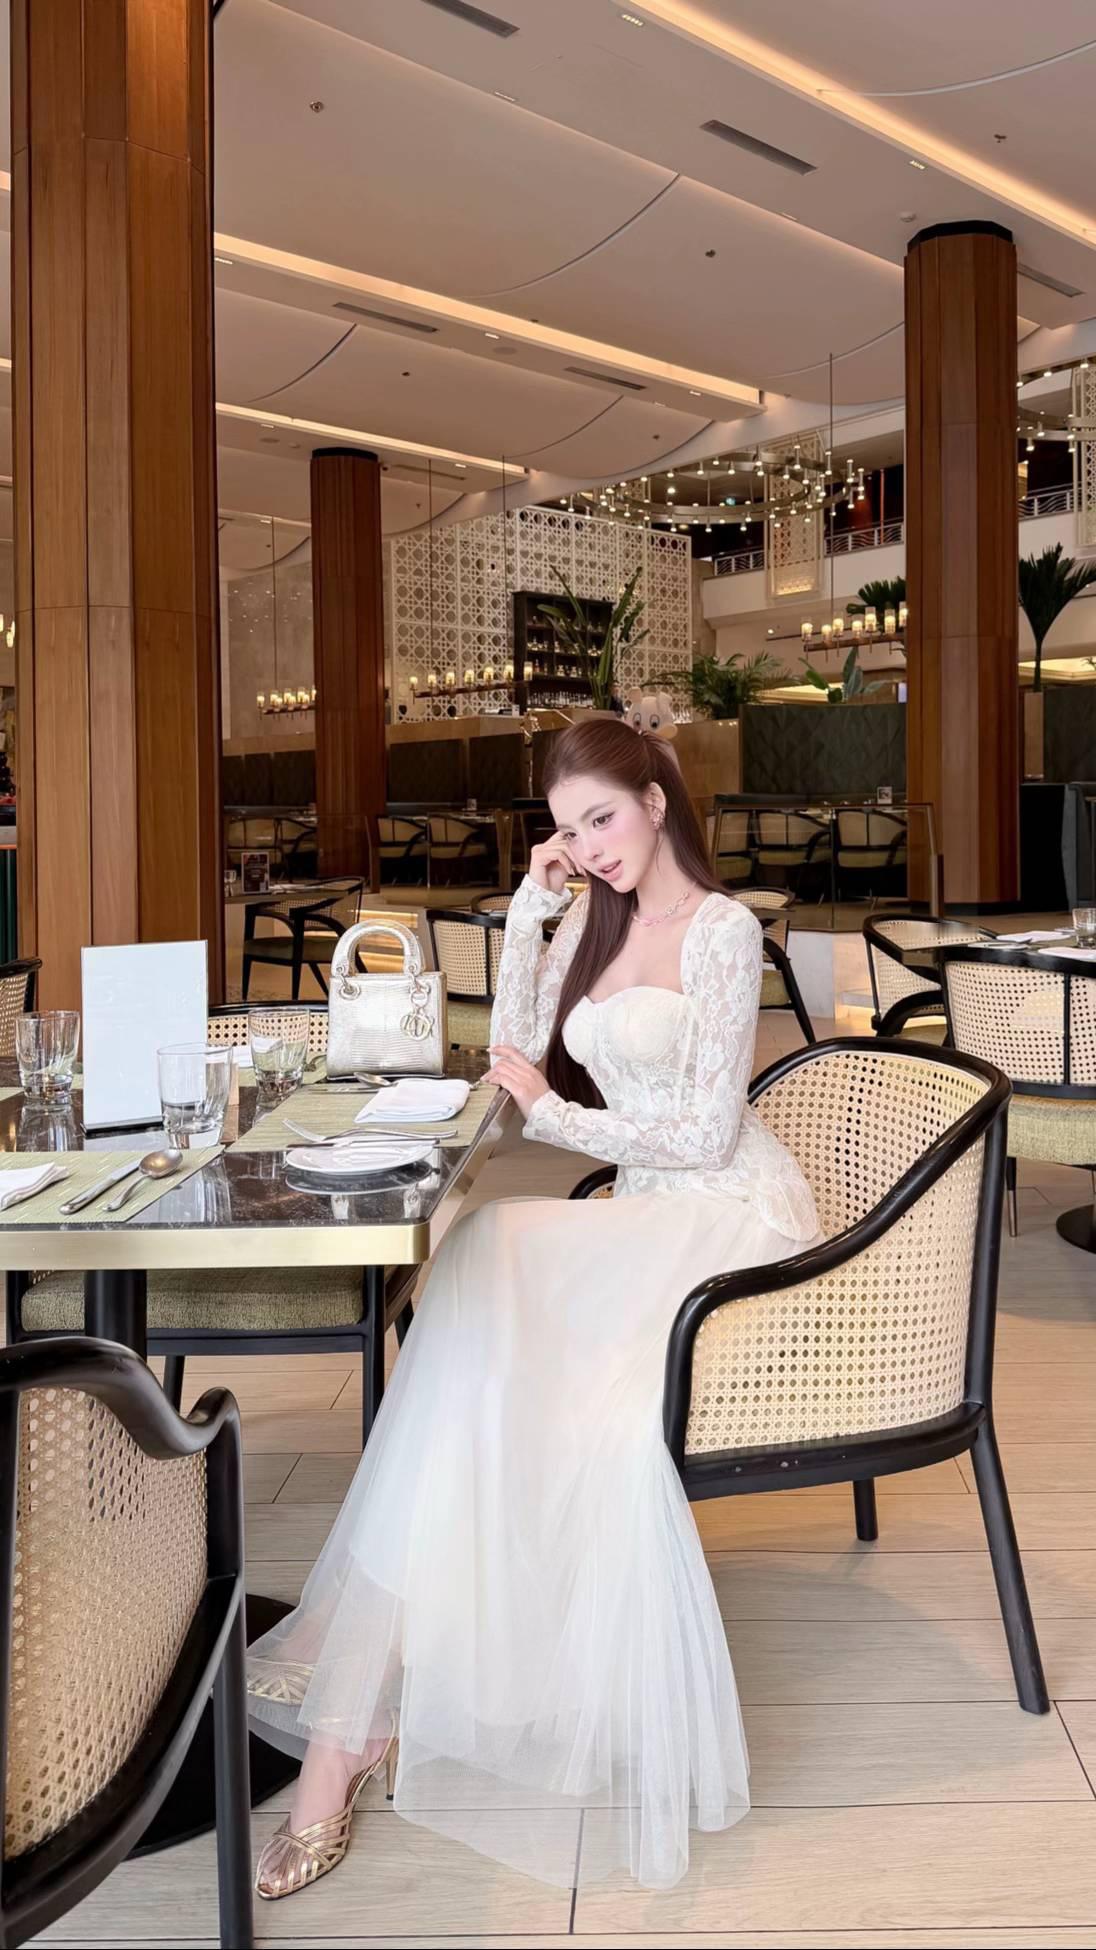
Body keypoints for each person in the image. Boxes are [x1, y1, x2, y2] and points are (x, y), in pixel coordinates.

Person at [248, 715, 819, 1898]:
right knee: (475, 1275)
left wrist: (557, 1117)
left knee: (492, 1280)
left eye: (601, 819)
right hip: (643, 1209)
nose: (590, 847)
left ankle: (357, 1715)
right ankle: (365, 1712)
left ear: (654, 800)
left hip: (729, 1217)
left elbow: (706, 1132)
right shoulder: (594, 922)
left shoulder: (722, 931)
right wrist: (527, 912)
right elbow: (513, 1057)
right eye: (567, 830)